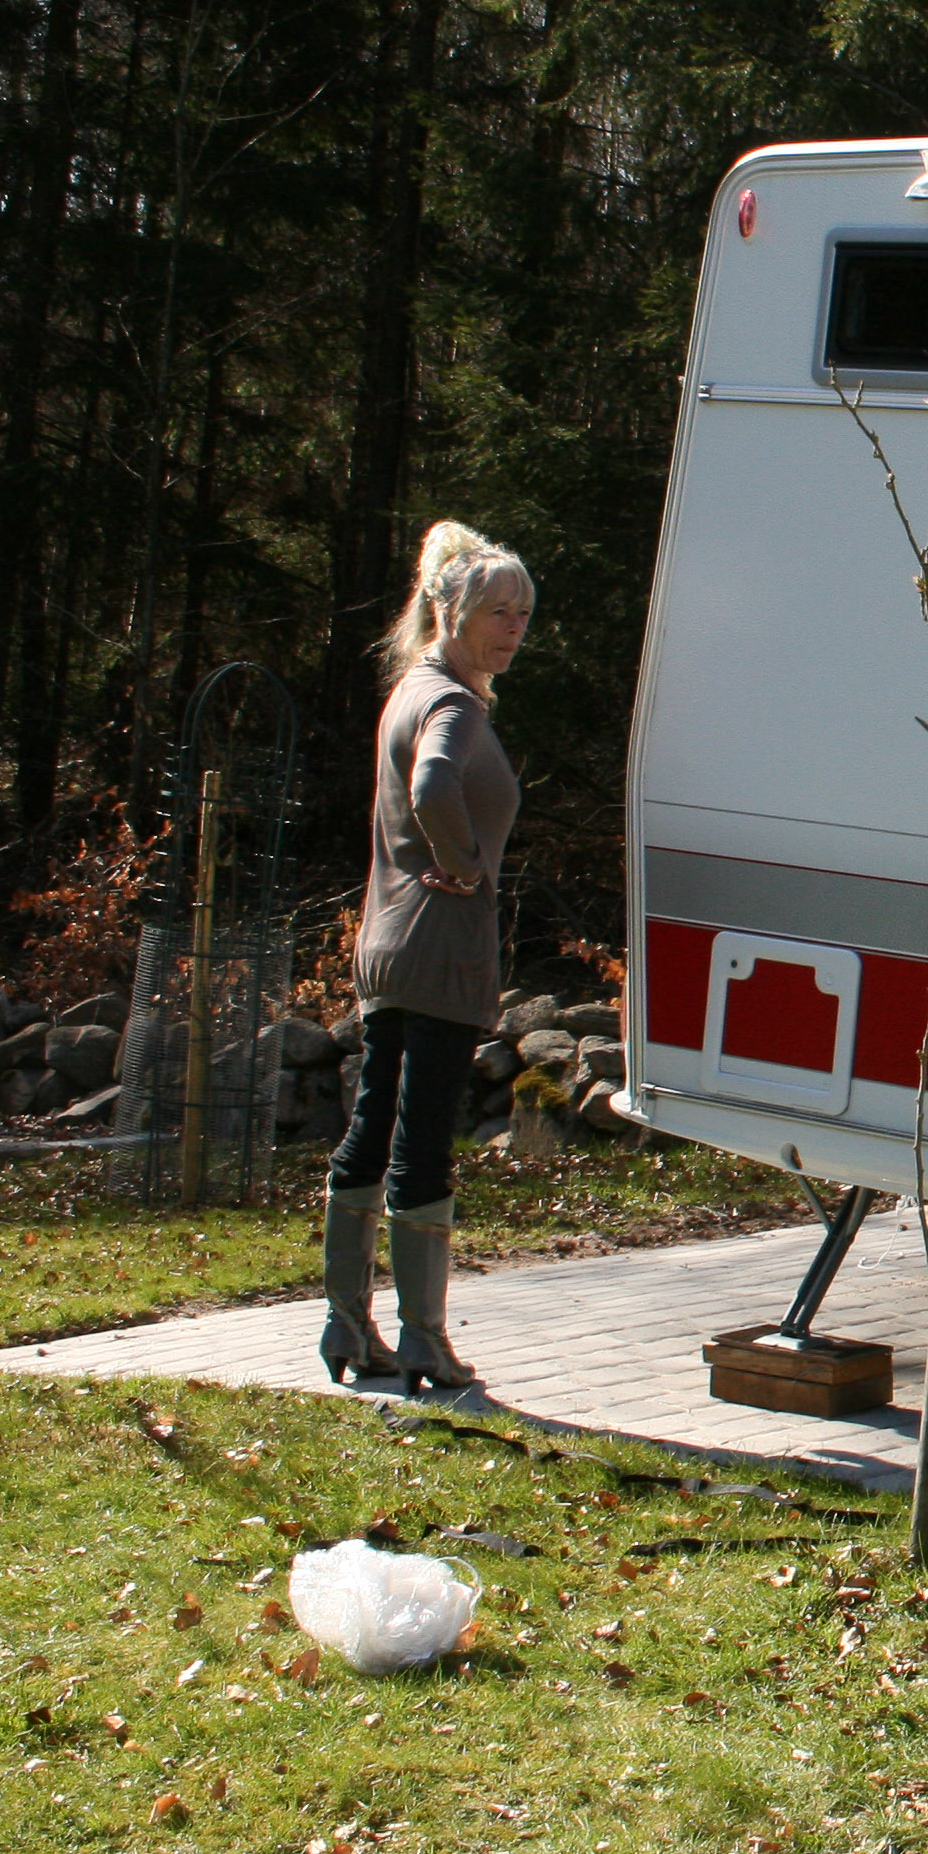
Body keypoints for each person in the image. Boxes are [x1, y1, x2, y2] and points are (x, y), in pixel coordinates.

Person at [323, 520, 530, 1393]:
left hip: (385, 942)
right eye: (497, 611)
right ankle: (423, 1340)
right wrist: (465, 861)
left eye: (522, 613)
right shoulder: (453, 703)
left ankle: (346, 1326)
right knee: (421, 1141)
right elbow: (434, 783)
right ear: (450, 611)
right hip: (439, 947)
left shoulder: (409, 687)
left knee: (372, 1126)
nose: (513, 628)